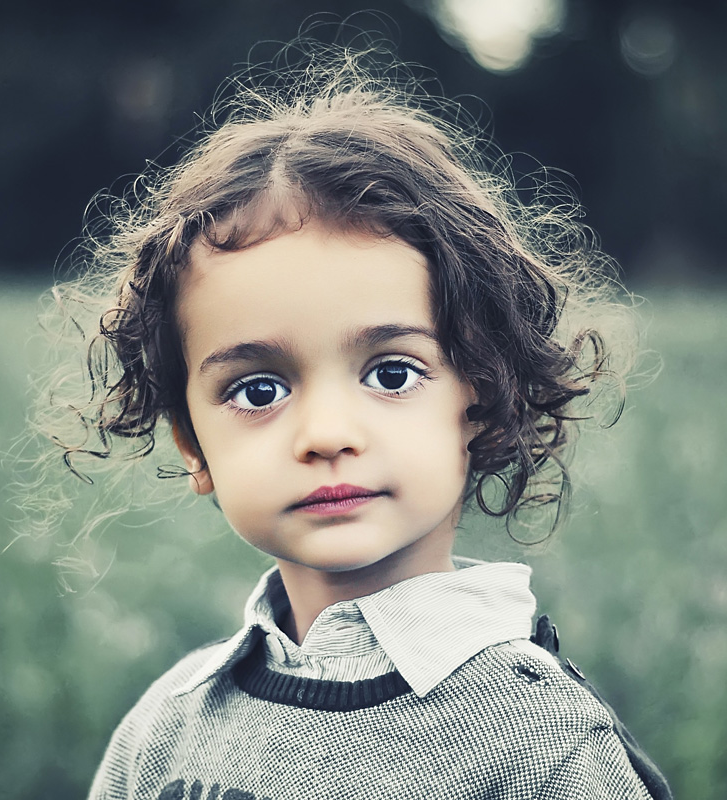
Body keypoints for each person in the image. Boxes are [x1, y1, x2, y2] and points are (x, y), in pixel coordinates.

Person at [38, 37, 671, 800]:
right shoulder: (164, 729)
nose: (328, 434)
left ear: (478, 396)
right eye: (259, 391)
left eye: (392, 373)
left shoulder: (542, 747)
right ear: (192, 444)